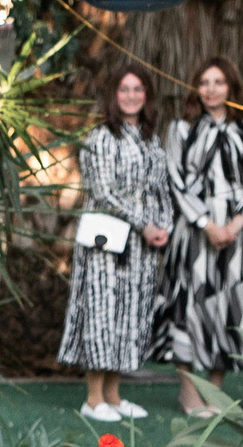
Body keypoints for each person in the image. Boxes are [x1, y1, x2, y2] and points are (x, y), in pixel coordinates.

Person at [155, 56, 243, 415]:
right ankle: (189, 393)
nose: (211, 89)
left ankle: (215, 393)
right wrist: (206, 224)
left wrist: (236, 224)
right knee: (188, 308)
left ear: (231, 87)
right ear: (196, 88)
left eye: (218, 82)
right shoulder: (182, 128)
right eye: (204, 82)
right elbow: (174, 180)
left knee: (229, 309)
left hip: (240, 234)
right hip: (194, 234)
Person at [59, 65, 175, 424]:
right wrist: (144, 224)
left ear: (147, 95)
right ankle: (93, 399)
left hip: (141, 246)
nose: (131, 96)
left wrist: (164, 226)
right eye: (124, 89)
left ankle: (113, 394)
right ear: (113, 95)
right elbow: (104, 191)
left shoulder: (149, 137)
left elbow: (160, 187)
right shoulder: (101, 138)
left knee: (128, 315)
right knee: (102, 314)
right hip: (106, 242)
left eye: (138, 89)